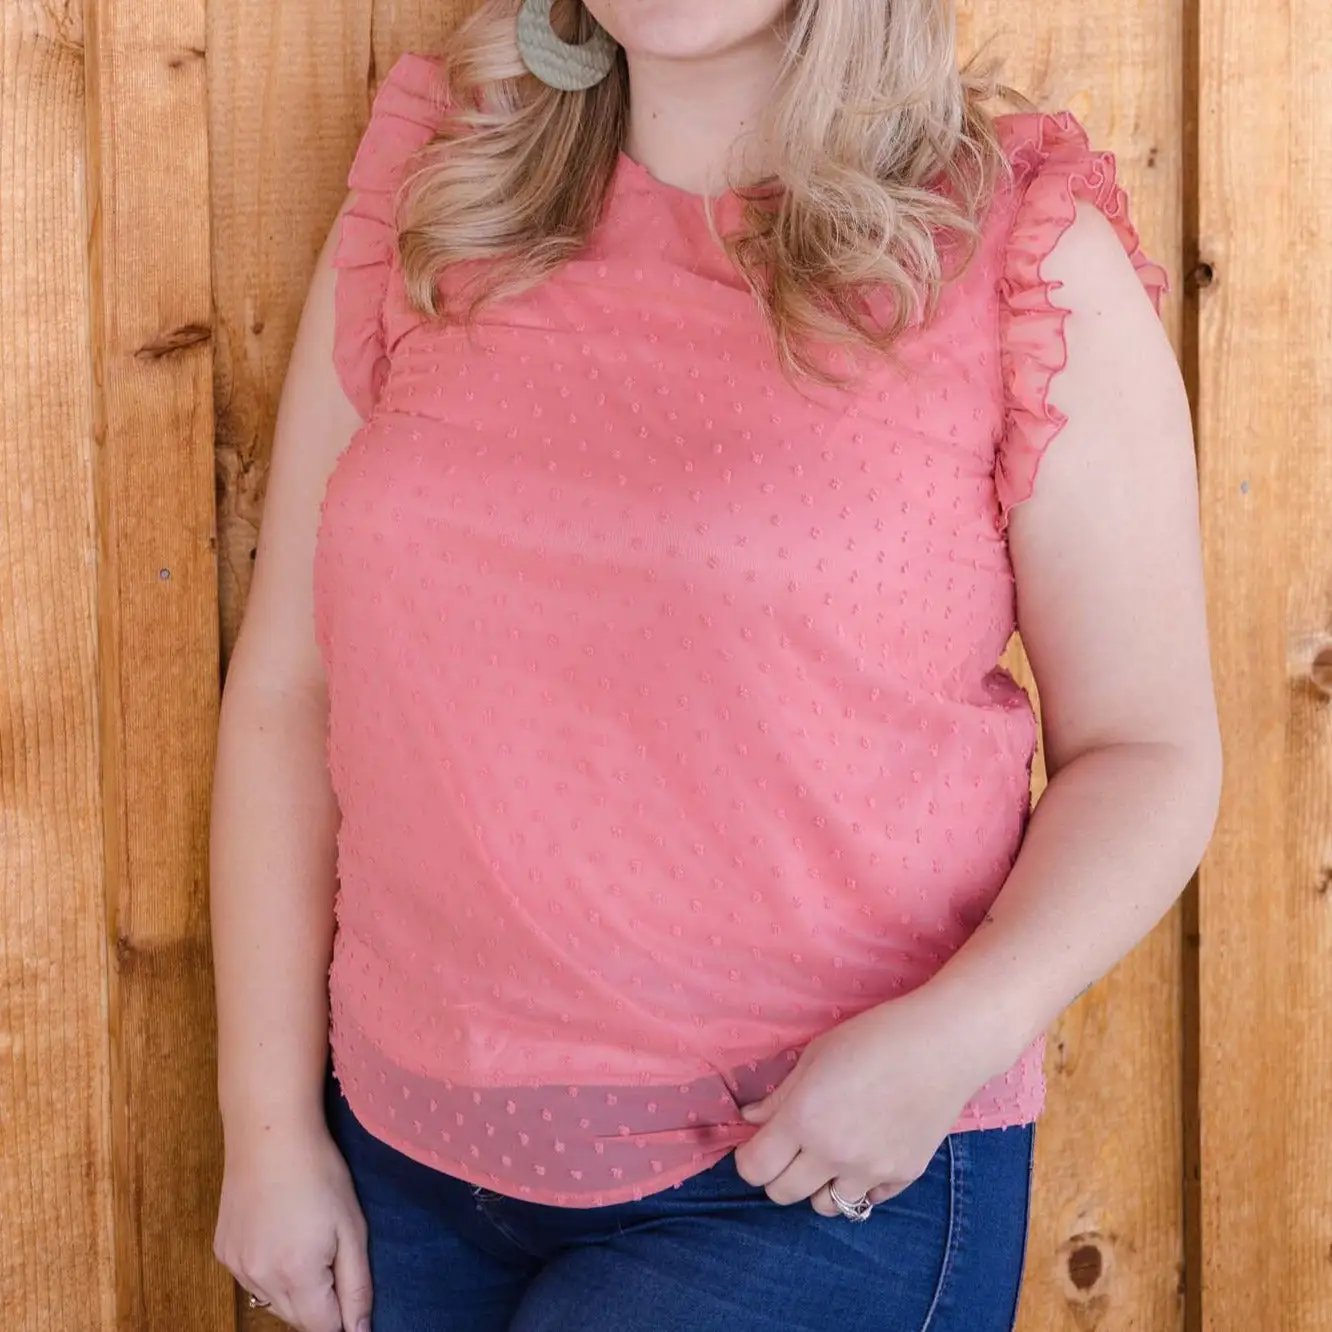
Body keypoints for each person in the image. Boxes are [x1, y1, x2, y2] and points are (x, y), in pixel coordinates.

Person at [208, 1, 1221, 1329]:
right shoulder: (439, 194)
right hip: (406, 1160)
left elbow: (1150, 749)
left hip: (807, 1170)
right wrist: (267, 1128)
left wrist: (953, 1037)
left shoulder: (1015, 255)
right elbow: (293, 687)